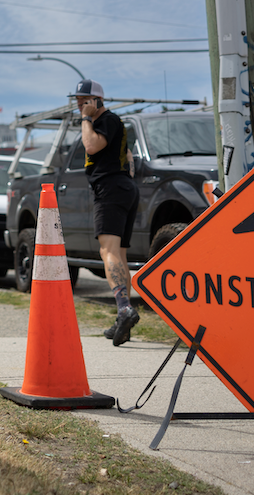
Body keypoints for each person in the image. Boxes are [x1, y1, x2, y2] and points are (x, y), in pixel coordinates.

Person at [75, 79, 141, 346]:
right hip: (122, 187)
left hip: (111, 189)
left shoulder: (105, 121)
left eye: (85, 99)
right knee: (120, 253)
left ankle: (125, 307)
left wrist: (85, 119)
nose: (80, 104)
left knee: (109, 251)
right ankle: (122, 317)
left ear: (99, 100)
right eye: (78, 100)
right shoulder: (113, 123)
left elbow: (91, 146)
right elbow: (128, 157)